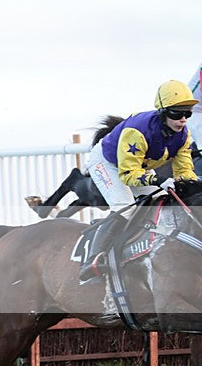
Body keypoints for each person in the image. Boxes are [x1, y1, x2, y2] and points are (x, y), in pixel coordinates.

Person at [79, 80, 199, 281]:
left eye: (188, 113)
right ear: (163, 112)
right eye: (177, 113)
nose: (183, 119)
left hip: (137, 166)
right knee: (125, 206)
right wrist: (159, 178)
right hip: (108, 163)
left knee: (163, 197)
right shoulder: (137, 131)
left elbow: (185, 171)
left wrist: (191, 185)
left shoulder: (183, 135)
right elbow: (128, 174)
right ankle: (93, 259)